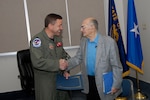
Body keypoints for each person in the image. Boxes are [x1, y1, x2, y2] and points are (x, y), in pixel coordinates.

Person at [66, 17, 123, 100]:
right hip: (89, 82)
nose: (81, 30)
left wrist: (116, 84)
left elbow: (116, 65)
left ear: (92, 27)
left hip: (104, 82)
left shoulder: (109, 42)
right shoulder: (83, 41)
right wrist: (65, 65)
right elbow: (78, 58)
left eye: (83, 27)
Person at [30, 13, 70, 100]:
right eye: (59, 25)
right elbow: (37, 61)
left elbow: (63, 55)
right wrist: (57, 64)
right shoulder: (38, 40)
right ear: (50, 26)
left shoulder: (58, 39)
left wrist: (66, 69)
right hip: (46, 82)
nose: (61, 28)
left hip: (60, 79)